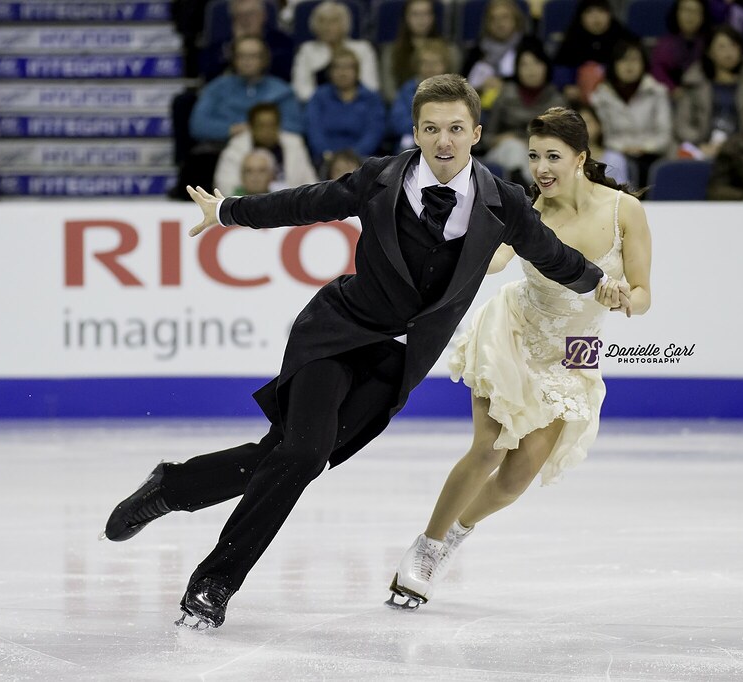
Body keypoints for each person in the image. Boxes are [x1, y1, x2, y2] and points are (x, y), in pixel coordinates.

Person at [102, 74, 629, 630]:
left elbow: (553, 255)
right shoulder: (383, 177)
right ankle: (213, 585)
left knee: (286, 457)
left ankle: (173, 487)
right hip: (337, 334)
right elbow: (308, 202)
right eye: (431, 129)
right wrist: (230, 211)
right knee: (302, 456)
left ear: (475, 132)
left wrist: (600, 284)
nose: (443, 141)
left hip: (395, 365)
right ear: (417, 132)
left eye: (455, 128)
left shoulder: (505, 204)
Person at [387, 106, 651, 609]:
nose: (541, 168)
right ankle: (425, 546)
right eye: (534, 157)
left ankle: (454, 536)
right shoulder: (527, 209)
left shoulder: (624, 212)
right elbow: (501, 256)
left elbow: (644, 293)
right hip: (515, 331)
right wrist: (465, 257)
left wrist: (625, 299)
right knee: (489, 448)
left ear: (581, 158)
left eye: (553, 156)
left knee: (516, 477)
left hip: (575, 351)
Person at [478, 36, 565, 185]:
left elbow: (561, 143)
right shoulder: (505, 94)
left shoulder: (556, 101)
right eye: (525, 65)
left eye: (537, 63)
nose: (531, 70)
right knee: (514, 149)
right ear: (517, 69)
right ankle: (529, 195)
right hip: (504, 152)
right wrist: (499, 139)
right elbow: (485, 137)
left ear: (546, 66)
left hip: (540, 156)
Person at [674, 24, 743, 159]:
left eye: (734, 45)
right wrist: (700, 145)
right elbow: (683, 124)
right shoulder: (694, 84)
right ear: (710, 52)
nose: (729, 52)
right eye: (722, 47)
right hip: (703, 148)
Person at [590, 38, 672, 186]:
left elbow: (665, 134)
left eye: (634, 60)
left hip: (653, 156)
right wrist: (624, 148)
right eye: (623, 60)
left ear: (644, 63)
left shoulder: (658, 92)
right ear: (614, 64)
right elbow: (601, 134)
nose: (629, 65)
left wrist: (644, 147)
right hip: (615, 155)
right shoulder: (600, 96)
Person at [304, 47, 386, 165]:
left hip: (362, 160)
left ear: (357, 71)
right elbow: (314, 129)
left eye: (348, 67)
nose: (342, 72)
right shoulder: (319, 97)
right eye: (337, 67)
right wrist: (327, 154)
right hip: (325, 159)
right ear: (330, 72)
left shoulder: (371, 99)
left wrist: (353, 157)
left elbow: (374, 133)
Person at [214, 101, 318, 194]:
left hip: (290, 208)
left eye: (272, 125)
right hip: (246, 206)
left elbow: (310, 183)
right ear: (251, 127)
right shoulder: (236, 147)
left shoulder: (294, 144)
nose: (267, 130)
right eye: (261, 125)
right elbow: (224, 186)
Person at [290, 0, 379, 102]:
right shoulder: (306, 50)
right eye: (321, 21)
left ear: (345, 23)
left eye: (334, 21)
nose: (327, 27)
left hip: (357, 106)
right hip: (318, 106)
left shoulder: (363, 49)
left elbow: (371, 86)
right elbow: (300, 89)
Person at [379, 0, 459, 102]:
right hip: (404, 108)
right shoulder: (391, 52)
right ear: (406, 18)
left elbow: (456, 88)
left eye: (426, 13)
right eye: (415, 14)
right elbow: (389, 92)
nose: (421, 19)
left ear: (433, 17)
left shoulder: (450, 51)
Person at [200, 0, 293, 81]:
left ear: (263, 16)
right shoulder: (221, 44)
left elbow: (285, 72)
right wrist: (236, 45)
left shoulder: (281, 41)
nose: (246, 20)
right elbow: (207, 73)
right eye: (239, 16)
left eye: (250, 14)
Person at [650, 0, 709, 94]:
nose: (690, 16)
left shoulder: (710, 43)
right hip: (670, 95)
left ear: (703, 16)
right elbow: (657, 71)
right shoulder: (664, 44)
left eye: (696, 11)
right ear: (676, 13)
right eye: (686, 10)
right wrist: (673, 89)